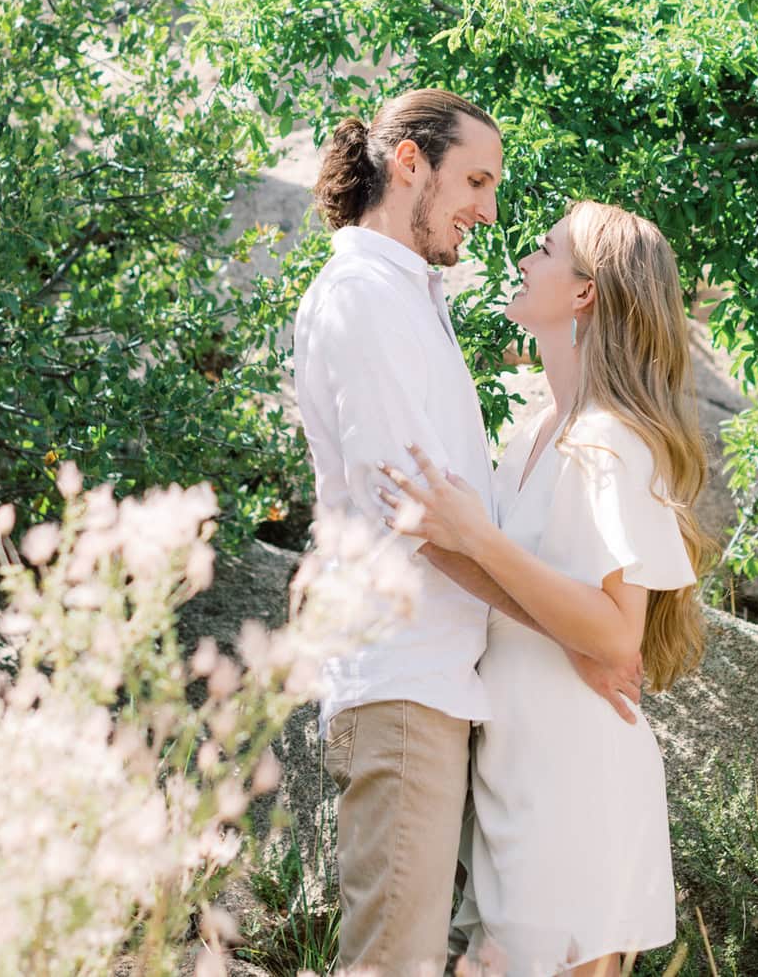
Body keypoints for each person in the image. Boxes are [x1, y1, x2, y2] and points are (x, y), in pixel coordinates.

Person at [292, 90, 643, 976]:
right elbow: (420, 519)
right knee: (391, 964)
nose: (488, 210)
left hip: (443, 690)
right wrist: (576, 634)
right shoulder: (366, 298)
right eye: (475, 180)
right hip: (403, 681)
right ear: (408, 161)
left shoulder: (409, 294)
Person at [380, 200, 719, 977]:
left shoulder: (611, 442)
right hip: (513, 775)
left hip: (576, 785)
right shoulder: (535, 430)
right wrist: (438, 534)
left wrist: (477, 537)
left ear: (583, 293)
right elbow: (510, 587)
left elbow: (613, 636)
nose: (523, 260)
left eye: (544, 249)